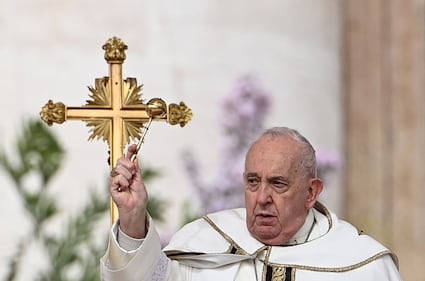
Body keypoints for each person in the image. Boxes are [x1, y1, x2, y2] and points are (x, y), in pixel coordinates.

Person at [100, 127, 402, 281]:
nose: (262, 198)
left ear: (312, 193)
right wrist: (133, 217)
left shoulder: (363, 265)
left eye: (278, 183)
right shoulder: (205, 242)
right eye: (253, 182)